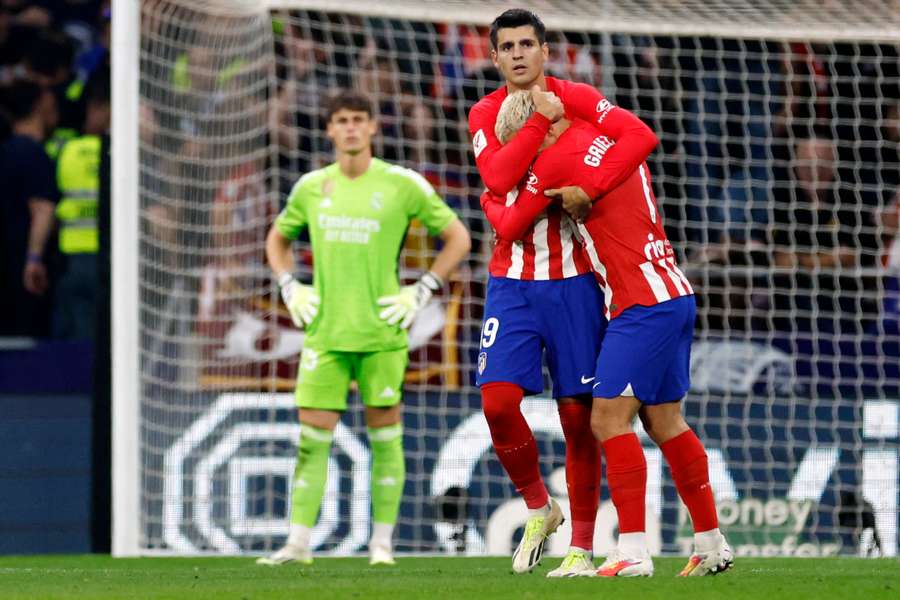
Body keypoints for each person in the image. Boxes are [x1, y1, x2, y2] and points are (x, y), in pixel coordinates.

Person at [482, 90, 733, 578]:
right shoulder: (610, 140)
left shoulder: (555, 161)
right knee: (665, 423)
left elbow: (511, 221)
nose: (524, 159)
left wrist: (488, 199)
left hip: (639, 304)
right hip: (672, 289)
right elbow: (641, 135)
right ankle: (711, 542)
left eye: (522, 146)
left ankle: (633, 550)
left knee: (606, 421)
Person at [468, 8, 659, 576]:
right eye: (508, 46)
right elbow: (498, 180)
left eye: (529, 43)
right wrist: (536, 128)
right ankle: (538, 506)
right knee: (497, 403)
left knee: (578, 418)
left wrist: (589, 185)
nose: (520, 53)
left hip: (576, 283)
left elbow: (635, 138)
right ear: (496, 57)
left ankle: (580, 546)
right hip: (513, 285)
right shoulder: (485, 111)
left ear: (546, 51)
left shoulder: (576, 96)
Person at [257, 90, 471, 566]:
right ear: (330, 130)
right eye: (342, 120)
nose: (350, 128)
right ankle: (296, 544)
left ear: (374, 127)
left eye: (358, 119)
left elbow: (458, 236)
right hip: (326, 332)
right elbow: (278, 238)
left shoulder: (402, 184)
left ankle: (381, 545)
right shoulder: (312, 186)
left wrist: (422, 289)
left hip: (382, 333)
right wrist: (291, 285)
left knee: (385, 438)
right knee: (313, 441)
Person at [0, 79, 58, 337]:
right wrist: (34, 258)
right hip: (25, 272)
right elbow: (42, 209)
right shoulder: (33, 153)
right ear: (39, 106)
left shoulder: (6, 151)